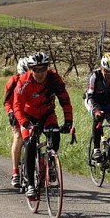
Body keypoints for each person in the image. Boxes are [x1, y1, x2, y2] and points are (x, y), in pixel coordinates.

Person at [13, 52, 73, 199]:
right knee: (31, 143)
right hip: (28, 116)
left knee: (55, 136)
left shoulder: (53, 79)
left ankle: (49, 164)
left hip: (47, 113)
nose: (40, 73)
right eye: (36, 70)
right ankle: (31, 185)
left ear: (48, 68)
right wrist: (26, 124)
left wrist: (68, 122)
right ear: (30, 70)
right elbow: (17, 106)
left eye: (43, 69)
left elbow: (64, 100)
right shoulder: (24, 82)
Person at [4, 56, 30, 189]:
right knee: (18, 137)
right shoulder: (13, 81)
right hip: (17, 113)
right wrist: (10, 112)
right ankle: (15, 171)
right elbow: (7, 101)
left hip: (31, 112)